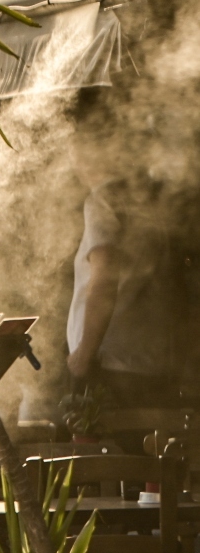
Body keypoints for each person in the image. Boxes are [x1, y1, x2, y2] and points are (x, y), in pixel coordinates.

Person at [66, 163, 185, 449]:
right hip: (152, 367)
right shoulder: (148, 199)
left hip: (110, 368)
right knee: (153, 480)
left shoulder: (103, 199)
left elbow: (105, 278)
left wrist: (84, 355)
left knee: (109, 478)